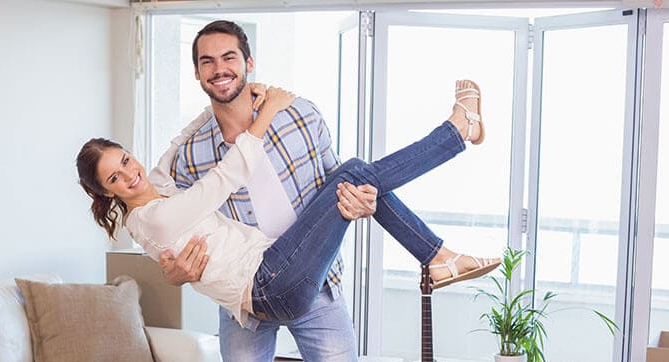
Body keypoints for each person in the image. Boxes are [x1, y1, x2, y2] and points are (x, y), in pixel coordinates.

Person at [155, 20, 493, 362]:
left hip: (314, 284)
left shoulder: (298, 114)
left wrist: (360, 202)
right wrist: (173, 269)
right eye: (207, 61)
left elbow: (339, 184)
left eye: (228, 58)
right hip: (245, 295)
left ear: (248, 63)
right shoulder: (191, 154)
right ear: (197, 72)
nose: (219, 69)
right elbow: (171, 228)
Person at [77, 84, 496, 325]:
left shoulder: (155, 185)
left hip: (272, 271)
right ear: (106, 192)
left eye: (125, 160)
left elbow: (177, 141)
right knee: (352, 175)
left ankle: (436, 255)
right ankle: (457, 131)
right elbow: (228, 176)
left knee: (353, 175)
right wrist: (271, 108)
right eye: (114, 178)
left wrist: (228, 98)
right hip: (270, 283)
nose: (129, 174)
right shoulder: (155, 220)